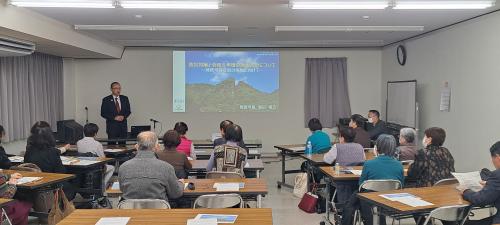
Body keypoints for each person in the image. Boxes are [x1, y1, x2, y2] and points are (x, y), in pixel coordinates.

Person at [341, 135, 404, 225]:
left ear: (377, 148)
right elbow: (401, 185)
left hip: (369, 200)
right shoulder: (399, 165)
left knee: (353, 200)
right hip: (390, 201)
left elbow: (361, 184)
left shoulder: (369, 164)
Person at [119, 131, 183, 201]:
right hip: (158, 211)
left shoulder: (123, 167)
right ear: (157, 147)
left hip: (130, 210)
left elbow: (122, 189)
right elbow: (175, 194)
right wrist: (181, 183)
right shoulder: (167, 167)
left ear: (136, 146)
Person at [24, 122, 76, 200]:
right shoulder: (52, 152)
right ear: (49, 135)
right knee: (73, 181)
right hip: (50, 187)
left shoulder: (28, 151)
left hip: (32, 187)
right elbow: (61, 172)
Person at [459, 141, 500, 225]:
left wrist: (465, 191)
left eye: (492, 158)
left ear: (498, 157)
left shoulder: (497, 174)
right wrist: (490, 185)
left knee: (464, 223)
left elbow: (480, 199)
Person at [76, 123, 115, 187]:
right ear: (95, 133)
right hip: (95, 169)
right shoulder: (97, 144)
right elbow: (103, 159)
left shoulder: (78, 142)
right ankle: (103, 186)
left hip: (82, 168)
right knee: (112, 168)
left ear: (84, 132)